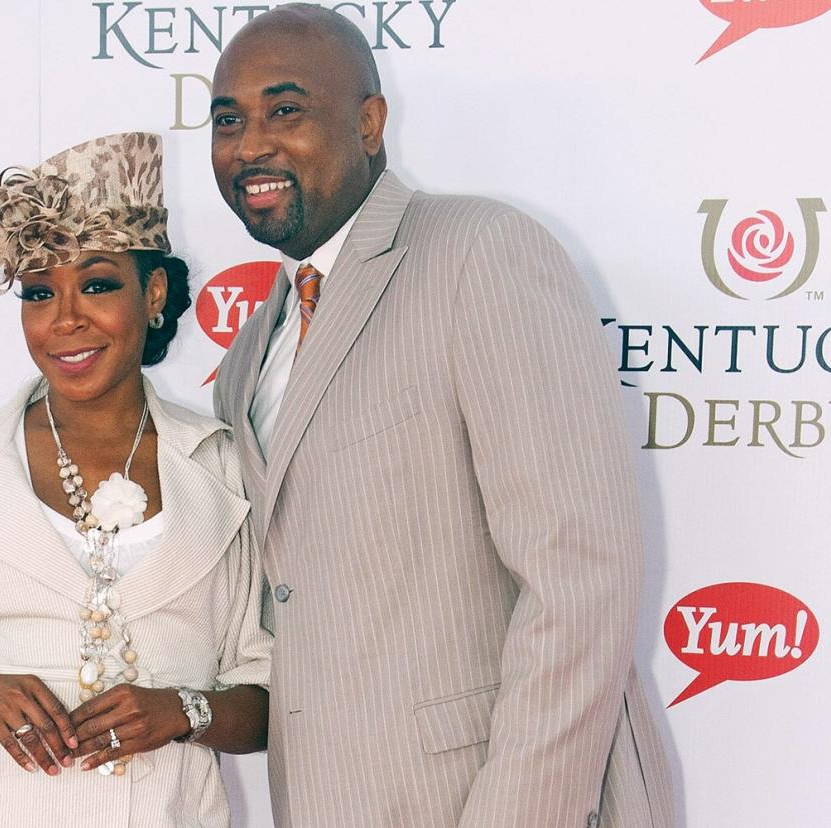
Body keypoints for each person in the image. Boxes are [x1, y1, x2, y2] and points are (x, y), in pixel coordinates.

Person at [208, 5, 676, 827]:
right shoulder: (252, 352)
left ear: (369, 122)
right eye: (227, 121)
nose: (251, 145)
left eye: (285, 110)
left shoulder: (479, 252)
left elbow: (579, 576)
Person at [0, 132, 271, 828]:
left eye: (98, 283)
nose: (66, 319)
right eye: (40, 292)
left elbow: (272, 701)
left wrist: (184, 710)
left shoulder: (227, 471)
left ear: (153, 290)